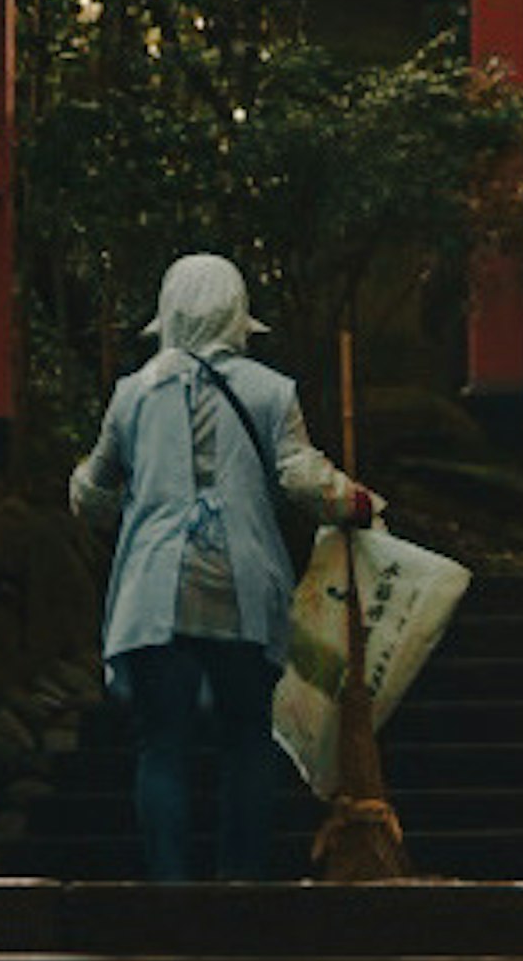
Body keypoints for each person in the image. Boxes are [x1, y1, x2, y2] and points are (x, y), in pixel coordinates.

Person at [72, 252, 374, 882]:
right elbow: (299, 475)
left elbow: (91, 493)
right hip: (242, 585)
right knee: (244, 738)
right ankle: (240, 883)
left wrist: (120, 498)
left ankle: (171, 889)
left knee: (162, 744)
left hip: (157, 589)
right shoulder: (271, 391)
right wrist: (352, 498)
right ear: (238, 313)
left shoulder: (132, 395)